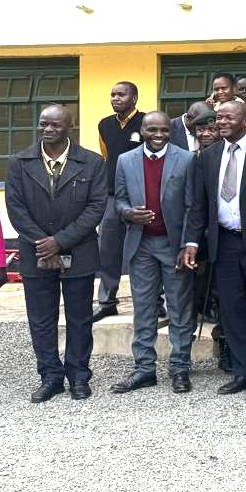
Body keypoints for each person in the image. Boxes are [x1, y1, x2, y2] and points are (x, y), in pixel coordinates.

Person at [5, 105, 108, 402]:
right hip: (35, 252)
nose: (48, 129)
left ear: (69, 128)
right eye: (43, 124)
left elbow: (96, 208)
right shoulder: (19, 162)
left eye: (55, 125)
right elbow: (16, 208)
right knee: (41, 319)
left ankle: (79, 376)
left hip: (79, 251)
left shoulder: (92, 162)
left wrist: (60, 241)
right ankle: (50, 377)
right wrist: (44, 243)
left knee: (80, 318)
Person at [181, 100, 246, 404]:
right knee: (232, 311)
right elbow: (199, 205)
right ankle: (241, 371)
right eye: (219, 117)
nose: (220, 122)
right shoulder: (208, 156)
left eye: (227, 117)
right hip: (223, 244)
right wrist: (192, 242)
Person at [110, 112, 197, 395]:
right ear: (143, 130)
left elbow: (191, 206)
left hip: (173, 246)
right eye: (152, 130)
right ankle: (144, 368)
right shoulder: (125, 160)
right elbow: (119, 199)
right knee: (144, 308)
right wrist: (127, 212)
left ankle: (180, 367)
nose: (158, 135)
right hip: (141, 245)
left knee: (179, 309)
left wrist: (187, 244)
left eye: (164, 130)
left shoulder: (186, 159)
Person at [91, 81, 143, 322]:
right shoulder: (104, 125)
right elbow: (106, 156)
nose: (115, 98)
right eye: (112, 94)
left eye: (121, 94)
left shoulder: (146, 122)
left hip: (141, 196)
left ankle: (153, 302)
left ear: (134, 98)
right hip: (112, 196)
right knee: (108, 250)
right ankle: (107, 302)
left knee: (145, 250)